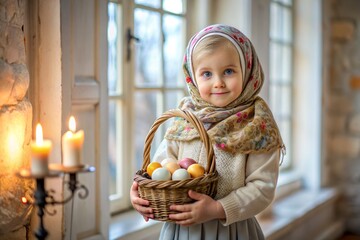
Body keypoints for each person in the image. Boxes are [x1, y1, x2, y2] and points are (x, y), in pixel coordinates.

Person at [130, 24, 285, 240]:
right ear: (192, 78)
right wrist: (141, 193)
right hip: (182, 230)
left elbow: (262, 188)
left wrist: (217, 209)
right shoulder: (185, 121)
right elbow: (160, 168)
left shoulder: (257, 127)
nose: (218, 83)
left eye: (229, 71)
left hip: (232, 230)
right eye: (206, 74)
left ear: (248, 71)